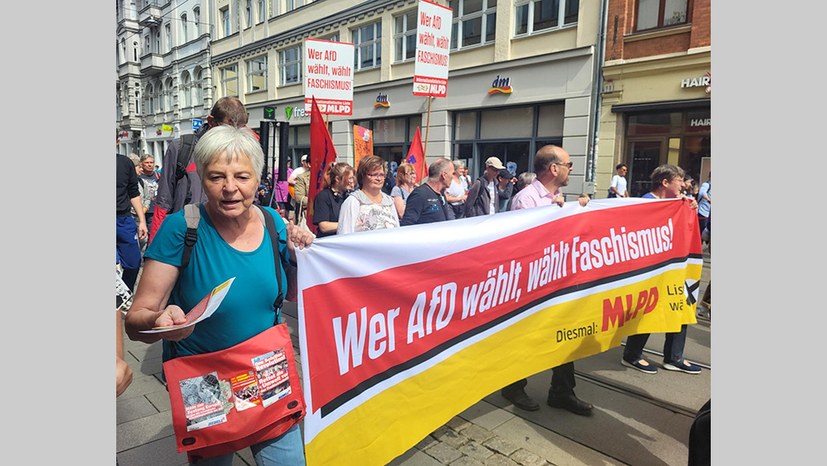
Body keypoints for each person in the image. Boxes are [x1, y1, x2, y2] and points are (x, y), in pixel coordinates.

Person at [124, 125, 314, 465]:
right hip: (205, 381)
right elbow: (136, 320)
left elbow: (305, 289)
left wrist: (306, 248)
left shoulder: (274, 222)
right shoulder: (183, 228)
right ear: (202, 179)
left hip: (267, 370)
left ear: (258, 179)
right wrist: (159, 320)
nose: (230, 189)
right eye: (216, 177)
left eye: (242, 176)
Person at [501, 145, 592, 416]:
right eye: (568, 164)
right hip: (531, 284)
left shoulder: (559, 196)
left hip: (557, 281)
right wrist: (553, 216)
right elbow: (523, 244)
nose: (570, 169)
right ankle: (513, 386)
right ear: (553, 168)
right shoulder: (526, 200)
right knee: (525, 337)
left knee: (565, 334)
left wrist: (576, 212)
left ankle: (562, 391)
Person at [621, 164, 702, 375]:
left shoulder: (678, 204)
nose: (683, 185)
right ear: (665, 183)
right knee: (648, 309)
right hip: (651, 270)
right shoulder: (645, 204)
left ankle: (674, 357)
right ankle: (632, 354)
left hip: (674, 267)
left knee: (681, 304)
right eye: (679, 180)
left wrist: (688, 209)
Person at [150, 96, 251, 242]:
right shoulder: (181, 148)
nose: (233, 137)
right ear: (211, 121)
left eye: (240, 130)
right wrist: (155, 243)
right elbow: (164, 199)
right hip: (184, 237)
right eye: (227, 129)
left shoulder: (242, 151)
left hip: (224, 237)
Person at [337, 155, 400, 234]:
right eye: (374, 175)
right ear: (363, 176)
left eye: (381, 175)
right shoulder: (353, 202)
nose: (379, 179)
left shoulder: (389, 202)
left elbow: (397, 230)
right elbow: (344, 235)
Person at [116, 153, 148, 292]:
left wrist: (142, 221)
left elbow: (133, 193)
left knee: (133, 263)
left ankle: (124, 297)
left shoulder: (125, 162)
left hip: (123, 220)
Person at [399, 158, 456, 226]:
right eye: (453, 173)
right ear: (444, 175)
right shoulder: (419, 195)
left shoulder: (441, 194)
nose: (453, 177)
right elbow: (407, 224)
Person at [312, 162, 355, 237]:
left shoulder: (351, 196)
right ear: (338, 179)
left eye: (352, 178)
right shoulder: (323, 196)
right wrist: (350, 224)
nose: (352, 181)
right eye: (349, 178)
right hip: (329, 242)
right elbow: (324, 226)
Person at [138, 154, 160, 232]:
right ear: (141, 164)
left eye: (151, 162)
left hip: (155, 210)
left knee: (153, 233)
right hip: (141, 210)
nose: (150, 165)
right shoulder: (138, 177)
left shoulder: (159, 176)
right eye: (147, 162)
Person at [292, 156, 311, 226]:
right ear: (309, 164)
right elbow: (299, 197)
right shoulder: (302, 177)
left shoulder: (326, 178)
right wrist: (317, 202)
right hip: (307, 215)